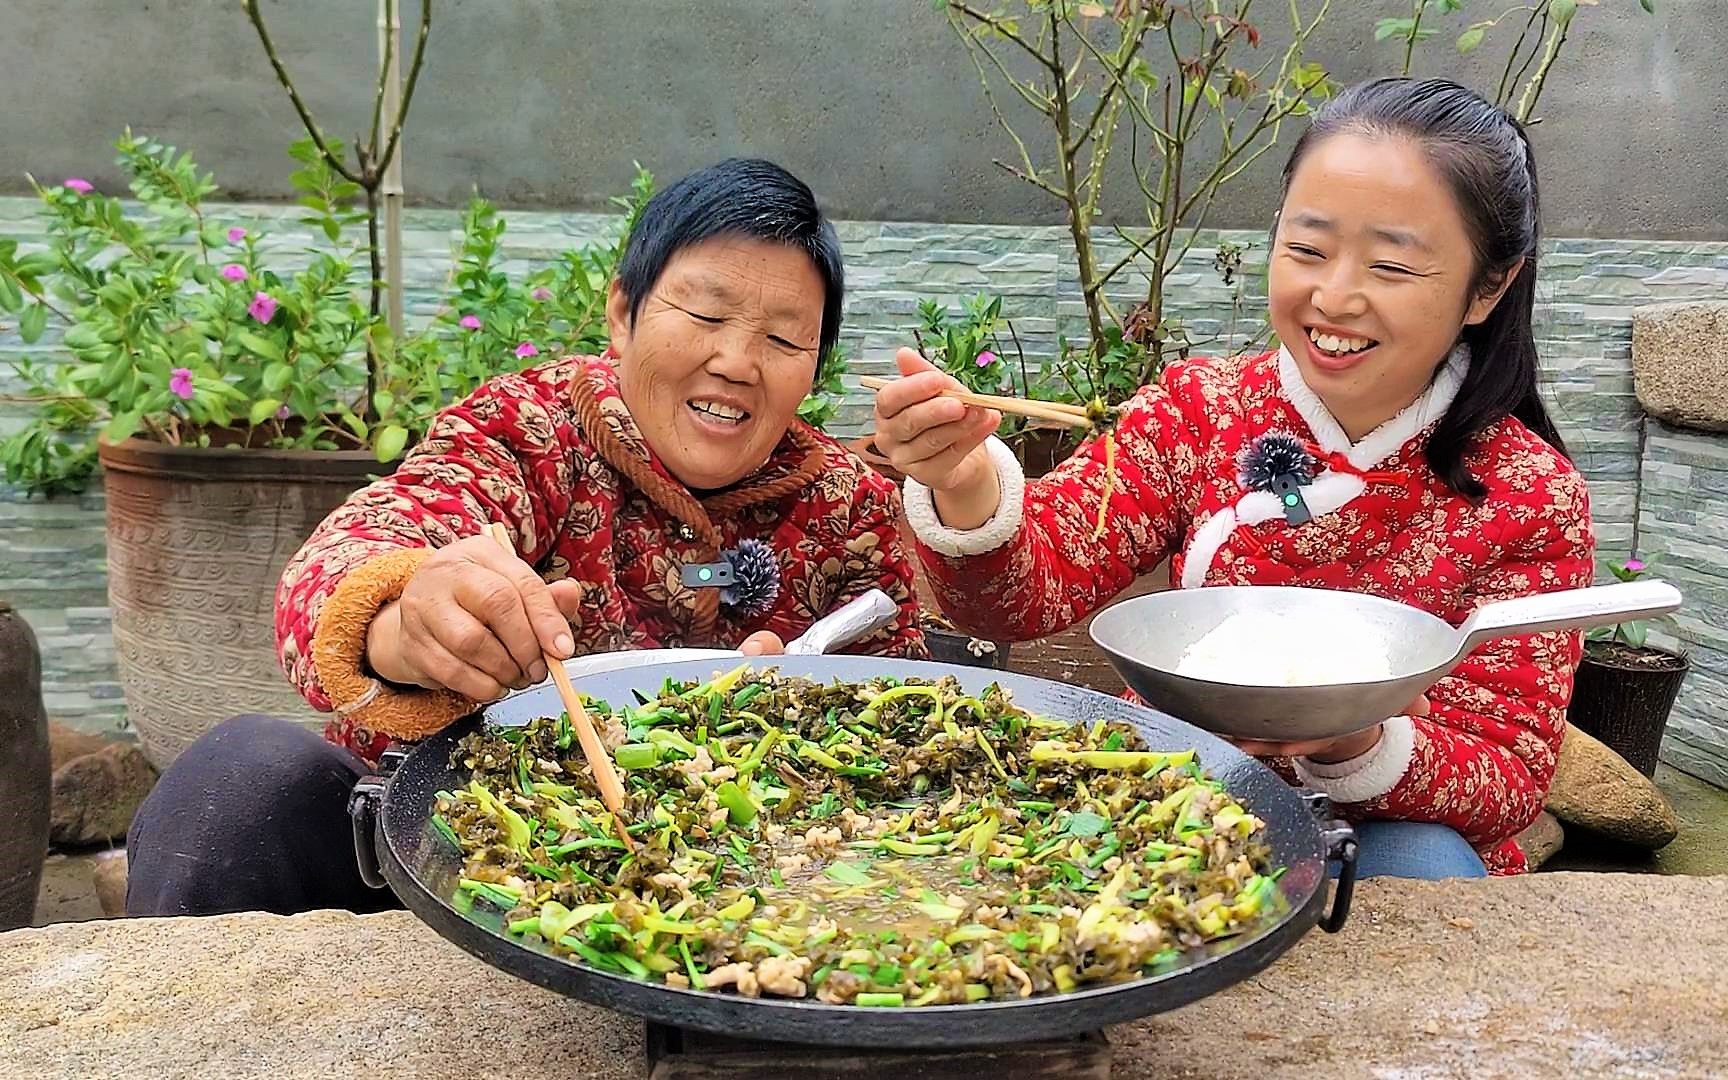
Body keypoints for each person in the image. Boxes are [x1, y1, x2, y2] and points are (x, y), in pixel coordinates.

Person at [127, 158, 927, 916]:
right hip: (447, 848)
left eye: (784, 341)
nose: (737, 361)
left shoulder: (846, 509)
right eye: (707, 314)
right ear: (623, 313)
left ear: (814, 368)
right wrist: (409, 617)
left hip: (735, 886)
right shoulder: (528, 430)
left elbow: (910, 732)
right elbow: (366, 543)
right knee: (239, 781)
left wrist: (807, 715)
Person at [870, 78, 1595, 879]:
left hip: (1385, 831)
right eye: (1307, 249)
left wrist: (1353, 734)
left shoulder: (1526, 492)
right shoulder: (1203, 410)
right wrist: (965, 482)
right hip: (1184, 783)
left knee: (1431, 864)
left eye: (1391, 266)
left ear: (1488, 287)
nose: (1334, 296)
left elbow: (1509, 780)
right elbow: (1023, 596)